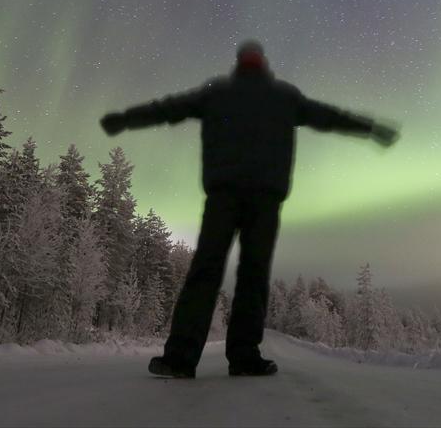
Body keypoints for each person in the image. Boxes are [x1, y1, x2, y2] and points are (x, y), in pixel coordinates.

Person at [99, 40, 399, 379]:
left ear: (239, 63)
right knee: (251, 277)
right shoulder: (281, 96)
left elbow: (168, 109)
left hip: (226, 195)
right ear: (261, 63)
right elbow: (328, 117)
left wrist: (125, 119)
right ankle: (242, 358)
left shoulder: (221, 92)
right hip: (262, 197)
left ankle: (182, 358)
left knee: (207, 272)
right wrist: (369, 128)